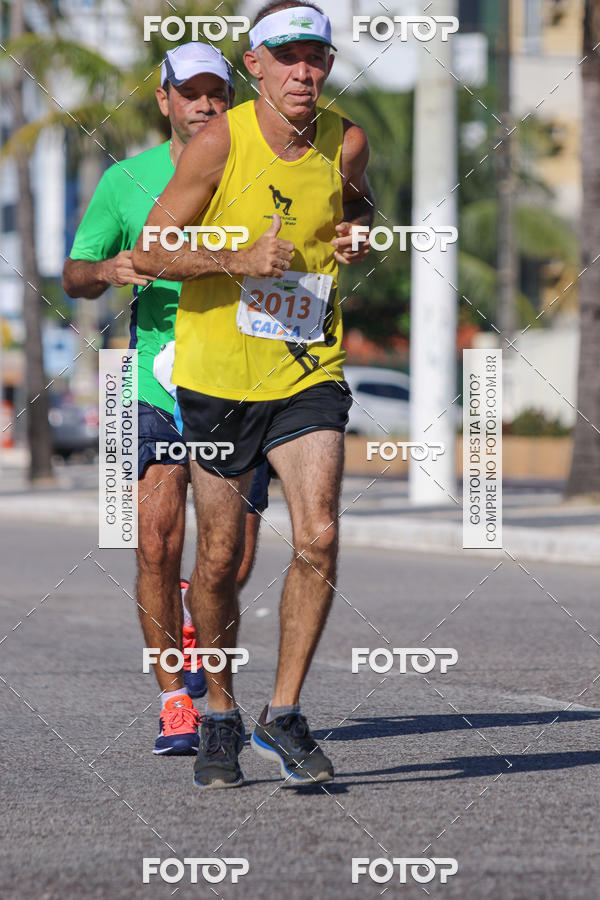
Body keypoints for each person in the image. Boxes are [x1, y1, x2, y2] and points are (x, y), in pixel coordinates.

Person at [133, 1, 373, 788]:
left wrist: (358, 229)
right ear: (255, 64)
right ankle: (222, 713)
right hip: (216, 381)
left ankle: (286, 711)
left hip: (308, 370)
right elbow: (152, 249)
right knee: (220, 558)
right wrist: (237, 255)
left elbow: (355, 208)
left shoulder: (346, 142)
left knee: (322, 533)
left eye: (317, 57)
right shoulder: (218, 140)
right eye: (288, 55)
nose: (305, 70)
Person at [62, 43, 271, 756]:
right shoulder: (126, 181)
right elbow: (73, 274)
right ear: (165, 100)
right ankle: (175, 702)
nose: (205, 104)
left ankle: (192, 618)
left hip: (243, 378)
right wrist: (108, 268)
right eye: (191, 93)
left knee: (230, 559)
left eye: (217, 91)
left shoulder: (258, 169)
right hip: (153, 381)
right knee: (156, 541)